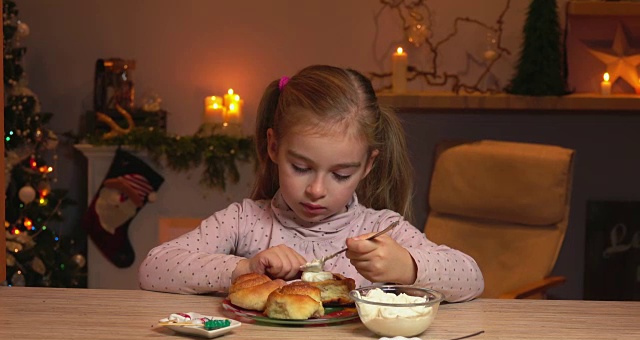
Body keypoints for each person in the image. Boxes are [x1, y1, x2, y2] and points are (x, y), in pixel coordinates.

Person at [138, 65, 484, 302]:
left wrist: (408, 267)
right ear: (273, 147)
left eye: (341, 174)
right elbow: (154, 268)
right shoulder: (244, 221)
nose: (316, 190)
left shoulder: (380, 229)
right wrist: (243, 269)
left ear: (367, 166)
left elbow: (472, 278)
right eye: (301, 167)